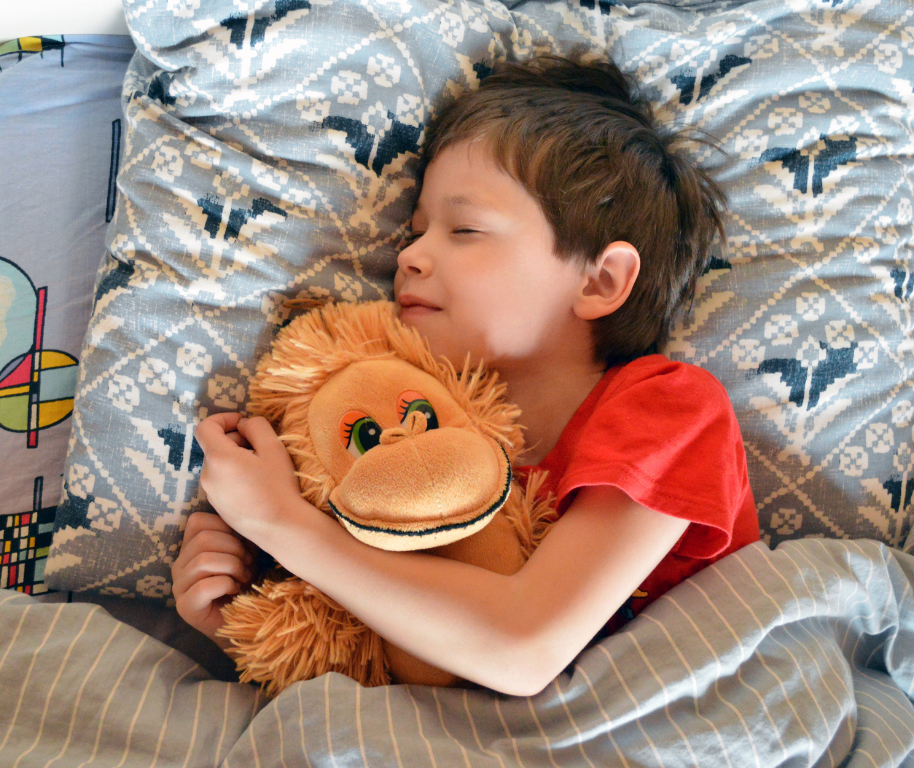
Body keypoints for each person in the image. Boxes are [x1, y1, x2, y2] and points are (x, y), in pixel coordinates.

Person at [171, 55, 759, 697]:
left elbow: (522, 646)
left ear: (599, 279)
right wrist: (241, 619)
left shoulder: (669, 408)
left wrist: (281, 523)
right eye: (416, 231)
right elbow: (402, 664)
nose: (411, 256)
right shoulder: (397, 429)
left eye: (466, 229)